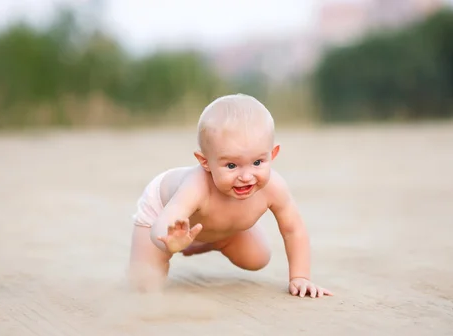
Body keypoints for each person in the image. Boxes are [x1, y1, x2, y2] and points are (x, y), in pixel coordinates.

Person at [127, 93, 332, 298]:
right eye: (231, 165)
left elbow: (293, 229)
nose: (246, 176)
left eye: (258, 162)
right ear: (205, 161)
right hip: (162, 212)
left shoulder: (274, 187)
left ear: (273, 154)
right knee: (143, 283)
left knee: (257, 258)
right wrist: (168, 240)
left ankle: (215, 241)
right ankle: (185, 244)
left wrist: (300, 277)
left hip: (210, 223)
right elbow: (161, 225)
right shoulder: (196, 186)